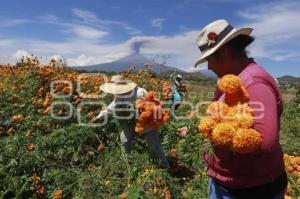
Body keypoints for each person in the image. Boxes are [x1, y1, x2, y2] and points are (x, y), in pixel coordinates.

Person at [194, 19, 287, 199]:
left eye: (209, 60)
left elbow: (265, 141)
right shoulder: (234, 80)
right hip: (230, 183)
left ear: (224, 52)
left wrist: (216, 134)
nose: (209, 66)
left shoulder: (253, 82)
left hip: (251, 190)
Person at [92, 75, 170, 169]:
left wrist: (140, 111)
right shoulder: (118, 97)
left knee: (154, 144)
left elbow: (153, 105)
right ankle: (128, 162)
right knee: (124, 140)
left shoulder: (139, 93)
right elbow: (110, 109)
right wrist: (98, 117)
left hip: (146, 122)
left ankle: (165, 166)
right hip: (129, 122)